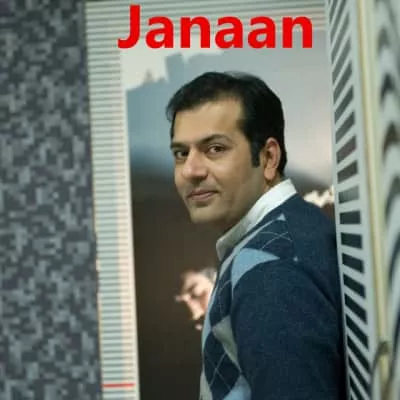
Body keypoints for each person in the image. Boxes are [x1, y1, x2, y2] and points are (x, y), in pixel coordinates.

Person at [165, 71, 346, 400]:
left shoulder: (271, 270)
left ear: (268, 158)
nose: (190, 170)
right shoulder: (278, 237)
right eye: (181, 153)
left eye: (215, 148)